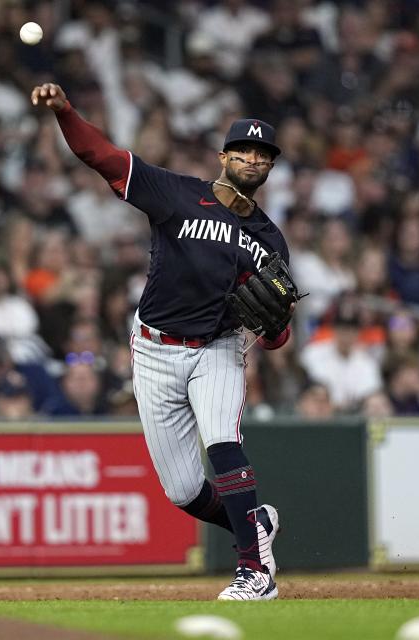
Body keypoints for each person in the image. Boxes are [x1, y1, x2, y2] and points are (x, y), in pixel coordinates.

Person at [33, 82, 287, 600]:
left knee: (223, 442)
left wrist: (275, 320)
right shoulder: (174, 192)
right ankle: (254, 526)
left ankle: (255, 573)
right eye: (244, 150)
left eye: (263, 155)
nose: (253, 159)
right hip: (152, 348)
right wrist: (65, 110)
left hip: (217, 349)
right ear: (224, 157)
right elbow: (99, 156)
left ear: (269, 169)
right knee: (184, 492)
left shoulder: (268, 239)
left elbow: (278, 336)